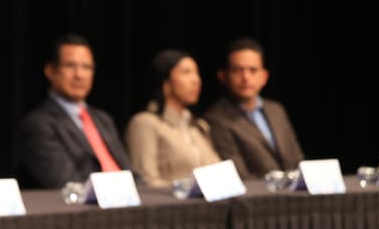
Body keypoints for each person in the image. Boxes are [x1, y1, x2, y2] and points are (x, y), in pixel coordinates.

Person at [14, 34, 132, 188]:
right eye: (70, 66)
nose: (79, 75)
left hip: (127, 199)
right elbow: (67, 184)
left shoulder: (103, 119)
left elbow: (130, 173)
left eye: (86, 67)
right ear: (50, 71)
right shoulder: (38, 124)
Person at [203, 37, 305, 177]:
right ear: (223, 76)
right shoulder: (216, 118)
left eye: (253, 70)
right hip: (256, 190)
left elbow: (297, 160)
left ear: (264, 76)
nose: (246, 77)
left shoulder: (276, 110)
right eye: (237, 70)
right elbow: (239, 174)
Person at [124, 50, 220, 188]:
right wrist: (188, 189)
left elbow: (219, 172)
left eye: (196, 73)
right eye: (186, 72)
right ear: (166, 82)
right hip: (170, 201)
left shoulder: (199, 126)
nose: (196, 80)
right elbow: (146, 180)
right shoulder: (145, 123)